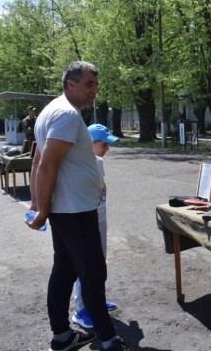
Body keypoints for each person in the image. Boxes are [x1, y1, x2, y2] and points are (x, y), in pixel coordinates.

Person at [26, 61, 132, 351]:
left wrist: (37, 203)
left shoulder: (51, 111)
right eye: (88, 84)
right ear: (70, 84)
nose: (94, 91)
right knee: (93, 274)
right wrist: (42, 210)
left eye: (96, 85)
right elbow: (46, 165)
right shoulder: (66, 115)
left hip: (68, 211)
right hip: (75, 211)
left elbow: (38, 161)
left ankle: (62, 336)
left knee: (65, 270)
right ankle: (109, 340)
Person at [72, 123, 119, 329]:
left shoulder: (97, 161)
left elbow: (102, 186)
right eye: (104, 144)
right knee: (86, 266)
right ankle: (81, 310)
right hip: (86, 220)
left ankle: (96, 301)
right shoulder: (81, 163)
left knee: (99, 263)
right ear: (90, 143)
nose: (107, 148)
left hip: (99, 217)